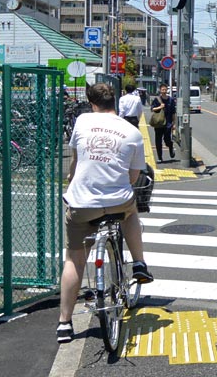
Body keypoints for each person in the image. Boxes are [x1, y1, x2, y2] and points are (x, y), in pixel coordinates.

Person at [56, 83, 153, 344]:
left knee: (74, 260)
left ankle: (64, 324)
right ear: (116, 103)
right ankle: (140, 263)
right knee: (132, 212)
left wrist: (71, 177)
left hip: (81, 204)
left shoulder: (82, 121)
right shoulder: (132, 132)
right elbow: (134, 176)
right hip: (117, 201)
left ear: (92, 102)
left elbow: (76, 162)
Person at [150, 84, 176, 162]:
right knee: (158, 141)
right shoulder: (157, 99)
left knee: (167, 139)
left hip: (168, 123)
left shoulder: (171, 100)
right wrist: (160, 107)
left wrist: (174, 123)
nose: (164, 91)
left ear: (167, 90)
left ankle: (170, 146)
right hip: (158, 123)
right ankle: (160, 157)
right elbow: (152, 109)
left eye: (165, 90)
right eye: (162, 90)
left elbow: (173, 113)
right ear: (160, 90)